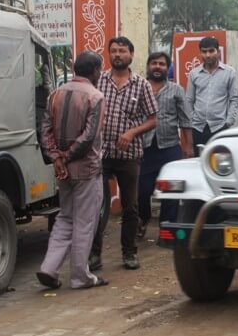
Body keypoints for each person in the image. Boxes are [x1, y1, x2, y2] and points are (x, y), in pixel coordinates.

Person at [36, 51, 109, 289]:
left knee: (65, 217)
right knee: (85, 222)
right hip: (86, 169)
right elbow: (89, 136)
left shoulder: (55, 94)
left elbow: (44, 129)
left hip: (62, 171)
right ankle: (80, 276)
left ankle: (49, 268)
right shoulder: (95, 96)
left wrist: (57, 158)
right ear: (96, 70)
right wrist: (67, 156)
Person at [90, 36, 158, 271]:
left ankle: (129, 253)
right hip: (100, 154)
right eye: (114, 51)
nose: (117, 55)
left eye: (122, 51)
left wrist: (131, 133)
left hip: (130, 156)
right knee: (96, 205)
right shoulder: (98, 82)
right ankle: (94, 255)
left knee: (130, 207)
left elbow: (153, 119)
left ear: (131, 54)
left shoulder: (141, 85)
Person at [137, 52, 193, 238]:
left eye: (162, 64)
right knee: (142, 190)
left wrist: (188, 147)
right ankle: (143, 219)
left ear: (167, 68)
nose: (157, 67)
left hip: (169, 147)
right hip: (144, 147)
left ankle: (166, 227)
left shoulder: (177, 90)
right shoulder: (139, 88)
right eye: (154, 63)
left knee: (171, 190)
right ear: (148, 66)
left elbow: (185, 120)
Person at [186, 37, 238, 156]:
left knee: (220, 164)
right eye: (204, 52)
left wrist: (228, 122)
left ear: (218, 52)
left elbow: (234, 99)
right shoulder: (194, 74)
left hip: (220, 128)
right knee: (198, 163)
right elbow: (189, 100)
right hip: (198, 128)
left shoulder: (229, 72)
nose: (208, 55)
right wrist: (192, 120)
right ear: (200, 53)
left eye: (211, 51)